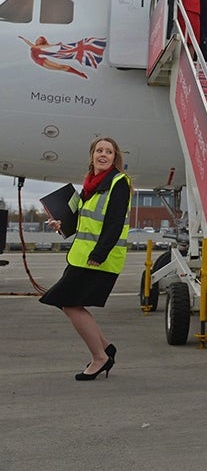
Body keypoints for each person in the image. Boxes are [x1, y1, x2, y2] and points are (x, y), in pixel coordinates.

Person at [39, 136, 132, 381]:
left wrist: (99, 255)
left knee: (68, 303)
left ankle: (100, 357)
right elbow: (84, 222)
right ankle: (106, 349)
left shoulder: (118, 183)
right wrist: (61, 225)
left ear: (115, 157)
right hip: (81, 257)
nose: (103, 155)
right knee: (66, 302)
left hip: (100, 259)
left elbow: (113, 223)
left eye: (109, 152)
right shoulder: (89, 185)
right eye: (99, 150)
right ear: (92, 156)